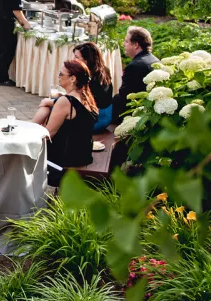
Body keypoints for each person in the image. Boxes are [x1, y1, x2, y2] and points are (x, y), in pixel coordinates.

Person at [32, 59, 98, 187]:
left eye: (61, 74)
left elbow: (48, 135)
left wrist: (39, 124)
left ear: (73, 78)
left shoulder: (65, 101)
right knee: (45, 109)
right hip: (83, 154)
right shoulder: (86, 97)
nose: (58, 77)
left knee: (22, 158)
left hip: (64, 161)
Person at [112, 26, 158, 122]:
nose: (123, 44)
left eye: (126, 41)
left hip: (135, 115)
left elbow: (125, 96)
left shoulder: (135, 66)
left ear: (136, 45)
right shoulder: (154, 60)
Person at [73, 42, 114, 133]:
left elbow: (78, 102)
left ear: (87, 60)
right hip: (106, 117)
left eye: (76, 57)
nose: (73, 60)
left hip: (95, 121)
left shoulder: (86, 75)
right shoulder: (103, 70)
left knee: (53, 108)